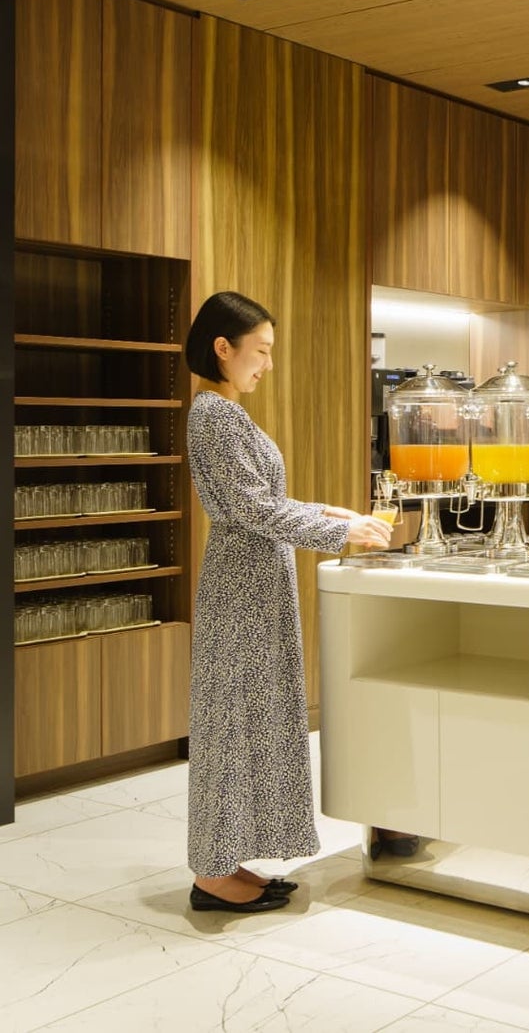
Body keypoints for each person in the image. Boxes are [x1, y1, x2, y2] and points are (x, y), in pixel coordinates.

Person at [183, 291, 391, 913]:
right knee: (231, 723)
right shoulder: (214, 416)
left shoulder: (227, 413)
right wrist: (337, 531)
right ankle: (212, 873)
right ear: (224, 348)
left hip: (255, 583)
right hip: (239, 589)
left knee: (255, 720)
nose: (268, 365)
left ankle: (230, 856)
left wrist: (333, 513)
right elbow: (250, 508)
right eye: (262, 351)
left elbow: (261, 501)